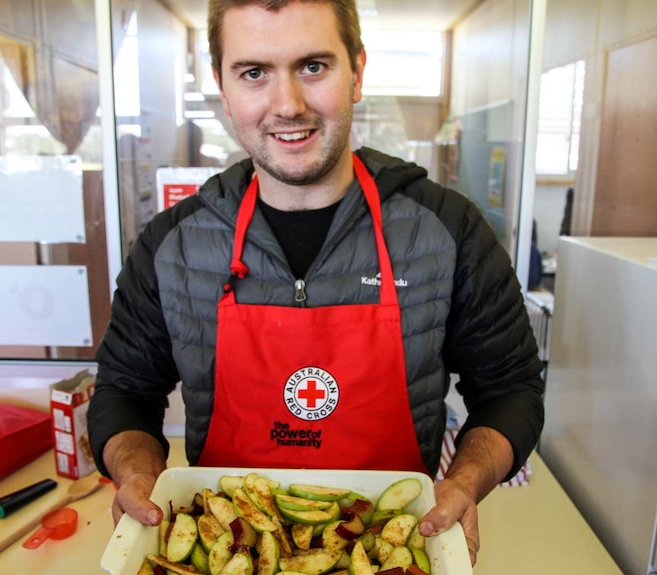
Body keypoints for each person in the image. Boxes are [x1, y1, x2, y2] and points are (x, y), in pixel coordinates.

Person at [88, 0, 545, 566]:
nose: (288, 105)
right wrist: (138, 476)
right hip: (234, 552)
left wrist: (465, 482)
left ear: (357, 71)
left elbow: (511, 388)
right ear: (223, 89)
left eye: (313, 66)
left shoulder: (447, 230)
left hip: (387, 552)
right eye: (254, 72)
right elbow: (124, 391)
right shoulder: (171, 246)